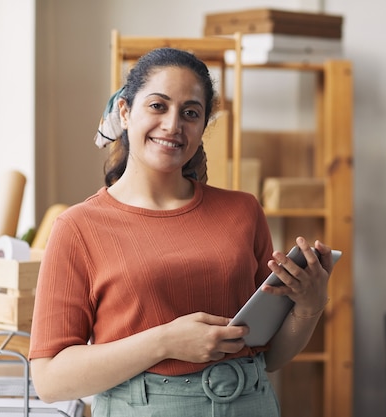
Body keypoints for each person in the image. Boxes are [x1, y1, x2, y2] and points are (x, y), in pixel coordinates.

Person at [28, 46, 338, 417]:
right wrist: (164, 342)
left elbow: (269, 356)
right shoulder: (78, 228)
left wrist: (310, 304)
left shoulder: (243, 211)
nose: (173, 125)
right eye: (158, 106)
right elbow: (48, 381)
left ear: (203, 125)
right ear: (125, 112)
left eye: (191, 113)